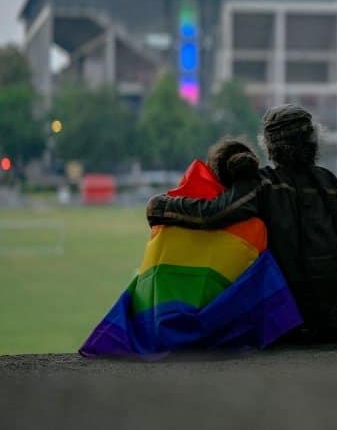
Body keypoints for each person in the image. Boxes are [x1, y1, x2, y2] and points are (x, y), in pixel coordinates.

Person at [146, 105, 337, 360]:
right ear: (314, 142)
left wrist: (160, 206)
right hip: (330, 333)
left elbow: (211, 214)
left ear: (270, 148)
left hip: (276, 335)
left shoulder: (261, 186)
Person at [81, 138, 302, 358]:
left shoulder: (167, 218)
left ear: (211, 170)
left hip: (159, 330)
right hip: (220, 334)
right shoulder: (255, 229)